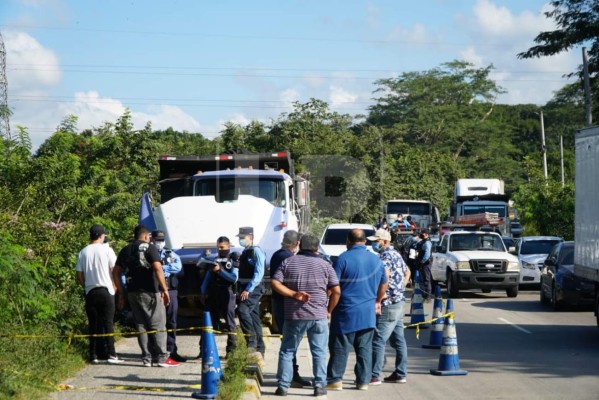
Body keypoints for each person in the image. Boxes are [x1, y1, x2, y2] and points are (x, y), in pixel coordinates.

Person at [272, 233, 341, 398]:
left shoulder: (287, 262)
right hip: (318, 316)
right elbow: (336, 290)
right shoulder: (325, 265)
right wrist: (329, 310)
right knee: (319, 352)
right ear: (317, 248)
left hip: (294, 316)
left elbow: (275, 283)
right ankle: (319, 386)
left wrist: (293, 294)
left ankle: (283, 386)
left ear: (299, 245)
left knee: (287, 351)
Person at [326, 229, 388, 391]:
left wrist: (328, 307)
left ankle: (335, 380)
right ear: (365, 241)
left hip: (345, 312)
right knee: (365, 349)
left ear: (348, 241)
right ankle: (363, 381)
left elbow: (333, 286)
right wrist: (378, 301)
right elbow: (384, 284)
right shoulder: (376, 260)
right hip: (367, 313)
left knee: (340, 347)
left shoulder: (342, 259)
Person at [113, 224, 180, 367]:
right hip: (150, 291)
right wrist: (165, 289)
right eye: (149, 236)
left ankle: (146, 358)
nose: (150, 239)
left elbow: (116, 273)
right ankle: (162, 357)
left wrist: (122, 292)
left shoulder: (126, 250)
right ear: (145, 236)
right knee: (158, 323)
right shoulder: (150, 248)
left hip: (132, 292)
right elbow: (157, 268)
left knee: (141, 325)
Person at [368, 229, 411, 385]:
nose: (374, 243)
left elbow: (384, 277)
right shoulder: (397, 255)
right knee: (399, 340)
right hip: (399, 301)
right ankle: (400, 373)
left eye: (376, 241)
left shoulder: (385, 256)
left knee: (378, 340)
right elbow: (408, 272)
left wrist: (380, 298)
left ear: (385, 241)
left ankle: (374, 375)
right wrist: (400, 289)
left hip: (389, 303)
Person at [76, 224, 123, 364]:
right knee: (108, 323)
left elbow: (79, 275)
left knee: (93, 324)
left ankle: (93, 355)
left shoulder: (83, 252)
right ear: (101, 235)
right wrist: (116, 287)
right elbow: (115, 271)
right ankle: (112, 354)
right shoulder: (107, 250)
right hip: (106, 290)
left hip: (90, 291)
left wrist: (86, 285)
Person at [270, 230, 312, 388]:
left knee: (287, 341)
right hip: (285, 303)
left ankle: (286, 374)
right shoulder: (287, 257)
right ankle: (291, 376)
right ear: (296, 244)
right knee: (290, 342)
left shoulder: (278, 254)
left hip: (280, 302)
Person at [200, 236, 239, 358]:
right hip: (213, 292)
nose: (220, 249)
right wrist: (202, 291)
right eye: (218, 247)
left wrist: (220, 271)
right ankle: (204, 350)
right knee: (209, 322)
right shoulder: (214, 260)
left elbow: (234, 278)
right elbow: (207, 277)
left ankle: (231, 351)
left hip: (227, 293)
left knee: (229, 322)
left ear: (229, 247)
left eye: (222, 247)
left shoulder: (233, 260)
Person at [151, 230, 186, 363]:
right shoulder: (149, 254)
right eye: (157, 240)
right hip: (155, 291)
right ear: (152, 240)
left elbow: (177, 266)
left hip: (171, 291)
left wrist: (160, 269)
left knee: (171, 321)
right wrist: (162, 268)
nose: (160, 242)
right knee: (156, 322)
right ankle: (157, 352)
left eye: (162, 240)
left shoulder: (169, 253)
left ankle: (172, 350)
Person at [236, 226, 266, 356]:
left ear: (251, 238)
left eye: (243, 238)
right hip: (245, 286)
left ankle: (251, 341)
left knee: (242, 310)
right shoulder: (245, 251)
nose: (241, 240)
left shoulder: (257, 251)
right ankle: (260, 347)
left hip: (253, 287)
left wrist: (248, 289)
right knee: (253, 317)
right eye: (240, 238)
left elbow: (259, 273)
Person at [417, 228, 433, 300]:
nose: (421, 234)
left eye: (422, 233)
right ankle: (425, 294)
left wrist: (422, 262)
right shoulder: (423, 242)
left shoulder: (427, 243)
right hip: (423, 263)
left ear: (426, 234)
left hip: (426, 263)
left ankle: (428, 295)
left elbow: (427, 255)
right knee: (424, 278)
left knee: (427, 279)